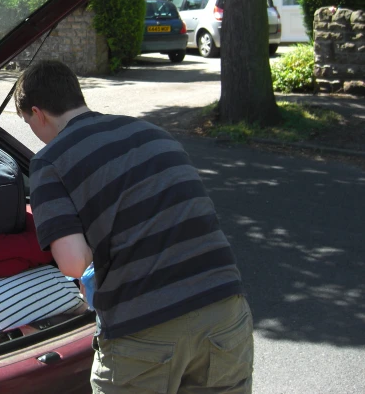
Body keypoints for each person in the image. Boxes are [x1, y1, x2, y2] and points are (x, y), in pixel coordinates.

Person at [14, 60, 253, 394]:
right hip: (225, 310)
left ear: (37, 113)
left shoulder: (50, 160)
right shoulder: (152, 132)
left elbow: (72, 262)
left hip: (145, 328)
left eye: (27, 122)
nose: (33, 131)